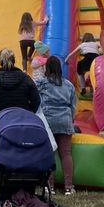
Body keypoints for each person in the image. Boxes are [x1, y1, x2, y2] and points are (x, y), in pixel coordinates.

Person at [37, 56, 77, 195]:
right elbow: (72, 106)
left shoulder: (42, 83)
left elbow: (33, 94)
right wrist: (70, 120)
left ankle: (50, 187)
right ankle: (68, 186)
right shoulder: (69, 85)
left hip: (48, 121)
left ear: (46, 68)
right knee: (66, 154)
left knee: (49, 153)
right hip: (65, 120)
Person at [0, 48, 40, 118]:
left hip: (1, 118)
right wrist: (29, 112)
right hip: (23, 117)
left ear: (0, 62)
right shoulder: (25, 78)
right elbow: (36, 99)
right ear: (14, 61)